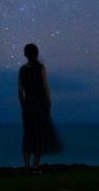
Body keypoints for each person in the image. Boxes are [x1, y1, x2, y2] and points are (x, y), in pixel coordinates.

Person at [18, 43, 60, 174]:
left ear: (25, 54)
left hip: (29, 102)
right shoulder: (40, 68)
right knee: (39, 134)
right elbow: (45, 87)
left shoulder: (22, 70)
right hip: (40, 102)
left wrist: (23, 105)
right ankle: (35, 167)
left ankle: (26, 168)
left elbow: (20, 90)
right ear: (36, 54)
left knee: (28, 133)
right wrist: (48, 103)